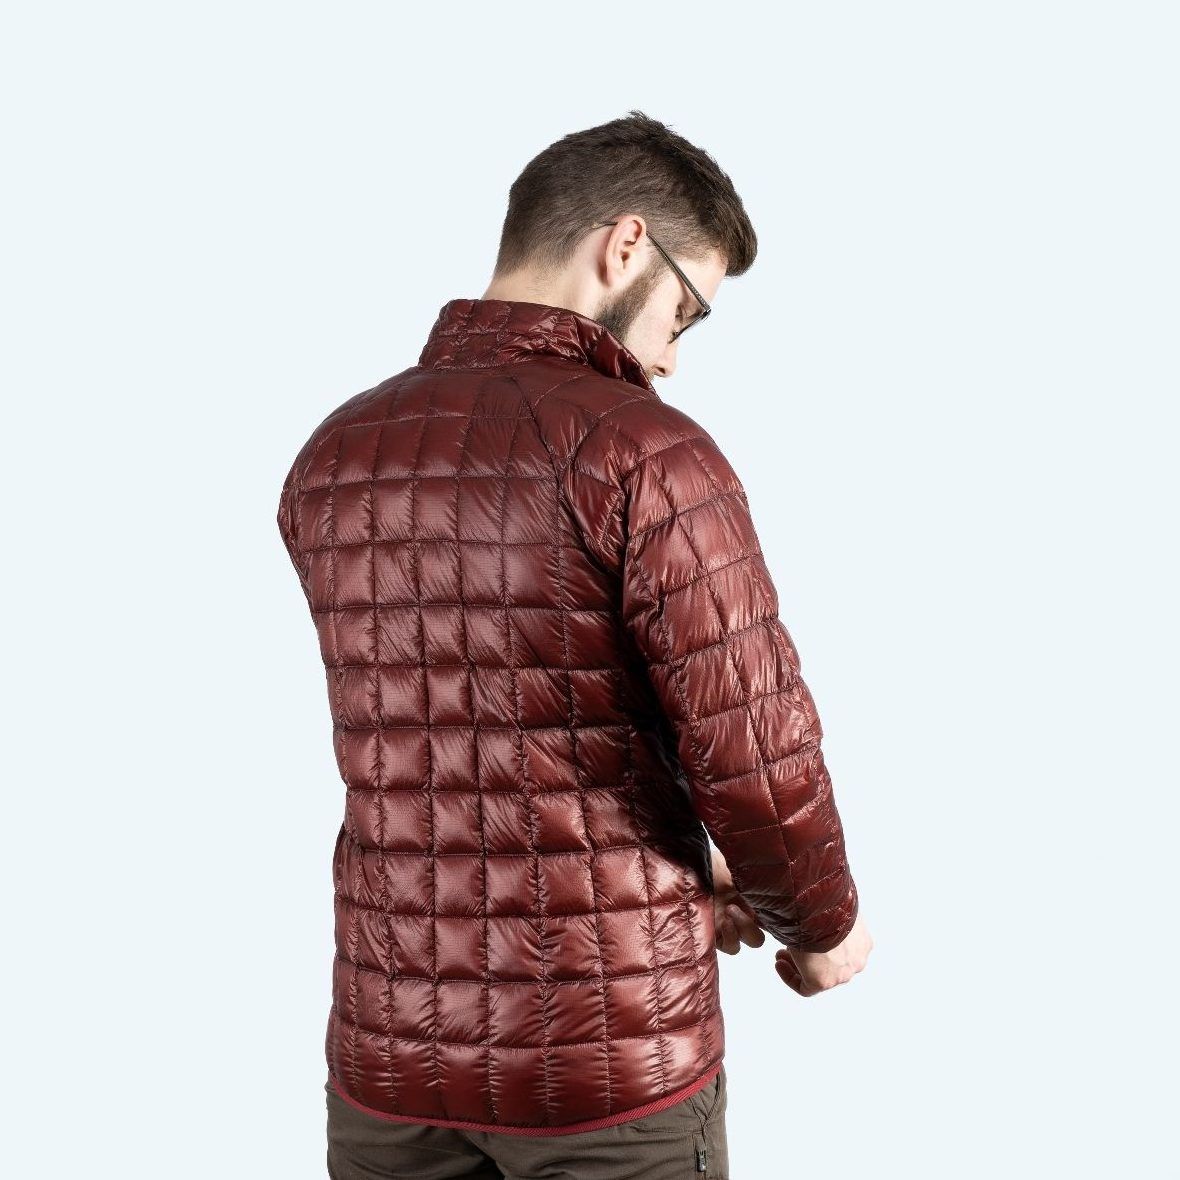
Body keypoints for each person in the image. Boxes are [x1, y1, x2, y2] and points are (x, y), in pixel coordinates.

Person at [276, 109, 872, 1180]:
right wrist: (820, 924)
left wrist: (687, 863)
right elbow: (755, 756)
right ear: (626, 244)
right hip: (605, 1067)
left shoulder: (336, 454)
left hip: (389, 1060)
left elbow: (458, 746)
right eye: (686, 312)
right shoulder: (641, 449)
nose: (672, 357)